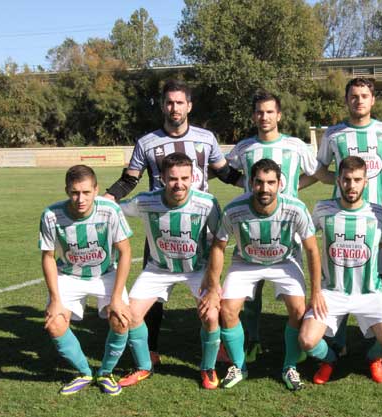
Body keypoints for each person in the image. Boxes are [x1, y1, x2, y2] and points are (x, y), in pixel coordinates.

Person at [104, 79, 242, 367]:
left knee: (208, 289)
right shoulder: (146, 142)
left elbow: (224, 172)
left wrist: (251, 185)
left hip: (200, 225)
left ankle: (216, 348)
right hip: (159, 224)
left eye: (180, 102)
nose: (174, 107)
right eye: (169, 102)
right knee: (153, 292)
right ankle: (151, 348)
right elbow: (130, 179)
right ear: (162, 106)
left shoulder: (206, 138)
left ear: (189, 106)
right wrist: (106, 197)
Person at [199, 159, 326, 391]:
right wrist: (214, 286)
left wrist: (316, 292)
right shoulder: (234, 209)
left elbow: (312, 250)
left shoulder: (295, 208)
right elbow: (218, 246)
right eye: (259, 182)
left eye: (270, 182)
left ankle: (290, 367)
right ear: (251, 183)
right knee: (227, 310)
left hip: (284, 261)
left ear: (279, 184)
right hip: (245, 262)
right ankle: (239, 366)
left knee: (298, 309)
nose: (264, 188)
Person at [226, 90, 318, 363]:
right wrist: (245, 187)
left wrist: (294, 188)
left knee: (294, 296)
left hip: (288, 230)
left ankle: (295, 349)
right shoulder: (244, 148)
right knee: (251, 294)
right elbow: (225, 170)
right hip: (252, 227)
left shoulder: (296, 146)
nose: (264, 117)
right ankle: (253, 339)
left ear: (278, 115)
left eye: (269, 112)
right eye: (259, 112)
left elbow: (316, 173)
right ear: (254, 116)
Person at [117, 153, 222, 390]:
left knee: (211, 316)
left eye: (185, 178)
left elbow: (219, 243)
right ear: (162, 178)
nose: (179, 184)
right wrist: (95, 201)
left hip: (197, 269)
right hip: (158, 269)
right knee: (130, 315)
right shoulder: (145, 201)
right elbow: (115, 208)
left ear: (193, 177)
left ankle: (207, 367)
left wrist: (213, 283)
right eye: (173, 178)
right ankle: (144, 366)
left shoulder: (207, 203)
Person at [299, 156, 382, 384]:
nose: (351, 185)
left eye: (357, 180)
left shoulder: (377, 213)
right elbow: (304, 238)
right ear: (338, 181)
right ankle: (330, 360)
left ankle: (374, 358)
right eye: (346, 179)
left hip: (369, 294)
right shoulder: (323, 209)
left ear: (366, 181)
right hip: (331, 292)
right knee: (307, 340)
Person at [39, 165, 132, 396]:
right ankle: (84, 372)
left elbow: (125, 252)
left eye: (86, 192)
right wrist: (55, 299)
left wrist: (116, 297)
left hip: (105, 273)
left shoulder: (110, 210)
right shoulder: (51, 215)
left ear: (96, 190)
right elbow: (48, 257)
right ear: (67, 191)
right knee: (54, 324)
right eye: (74, 192)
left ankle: (106, 373)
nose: (80, 199)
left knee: (121, 319)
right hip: (69, 275)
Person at [315, 78, 382, 304]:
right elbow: (319, 170)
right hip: (342, 216)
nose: (359, 101)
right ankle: (337, 326)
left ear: (373, 100)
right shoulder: (333, 133)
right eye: (354, 96)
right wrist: (339, 182)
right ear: (346, 100)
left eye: (364, 96)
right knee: (339, 274)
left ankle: (381, 319)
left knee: (381, 273)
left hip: (378, 215)